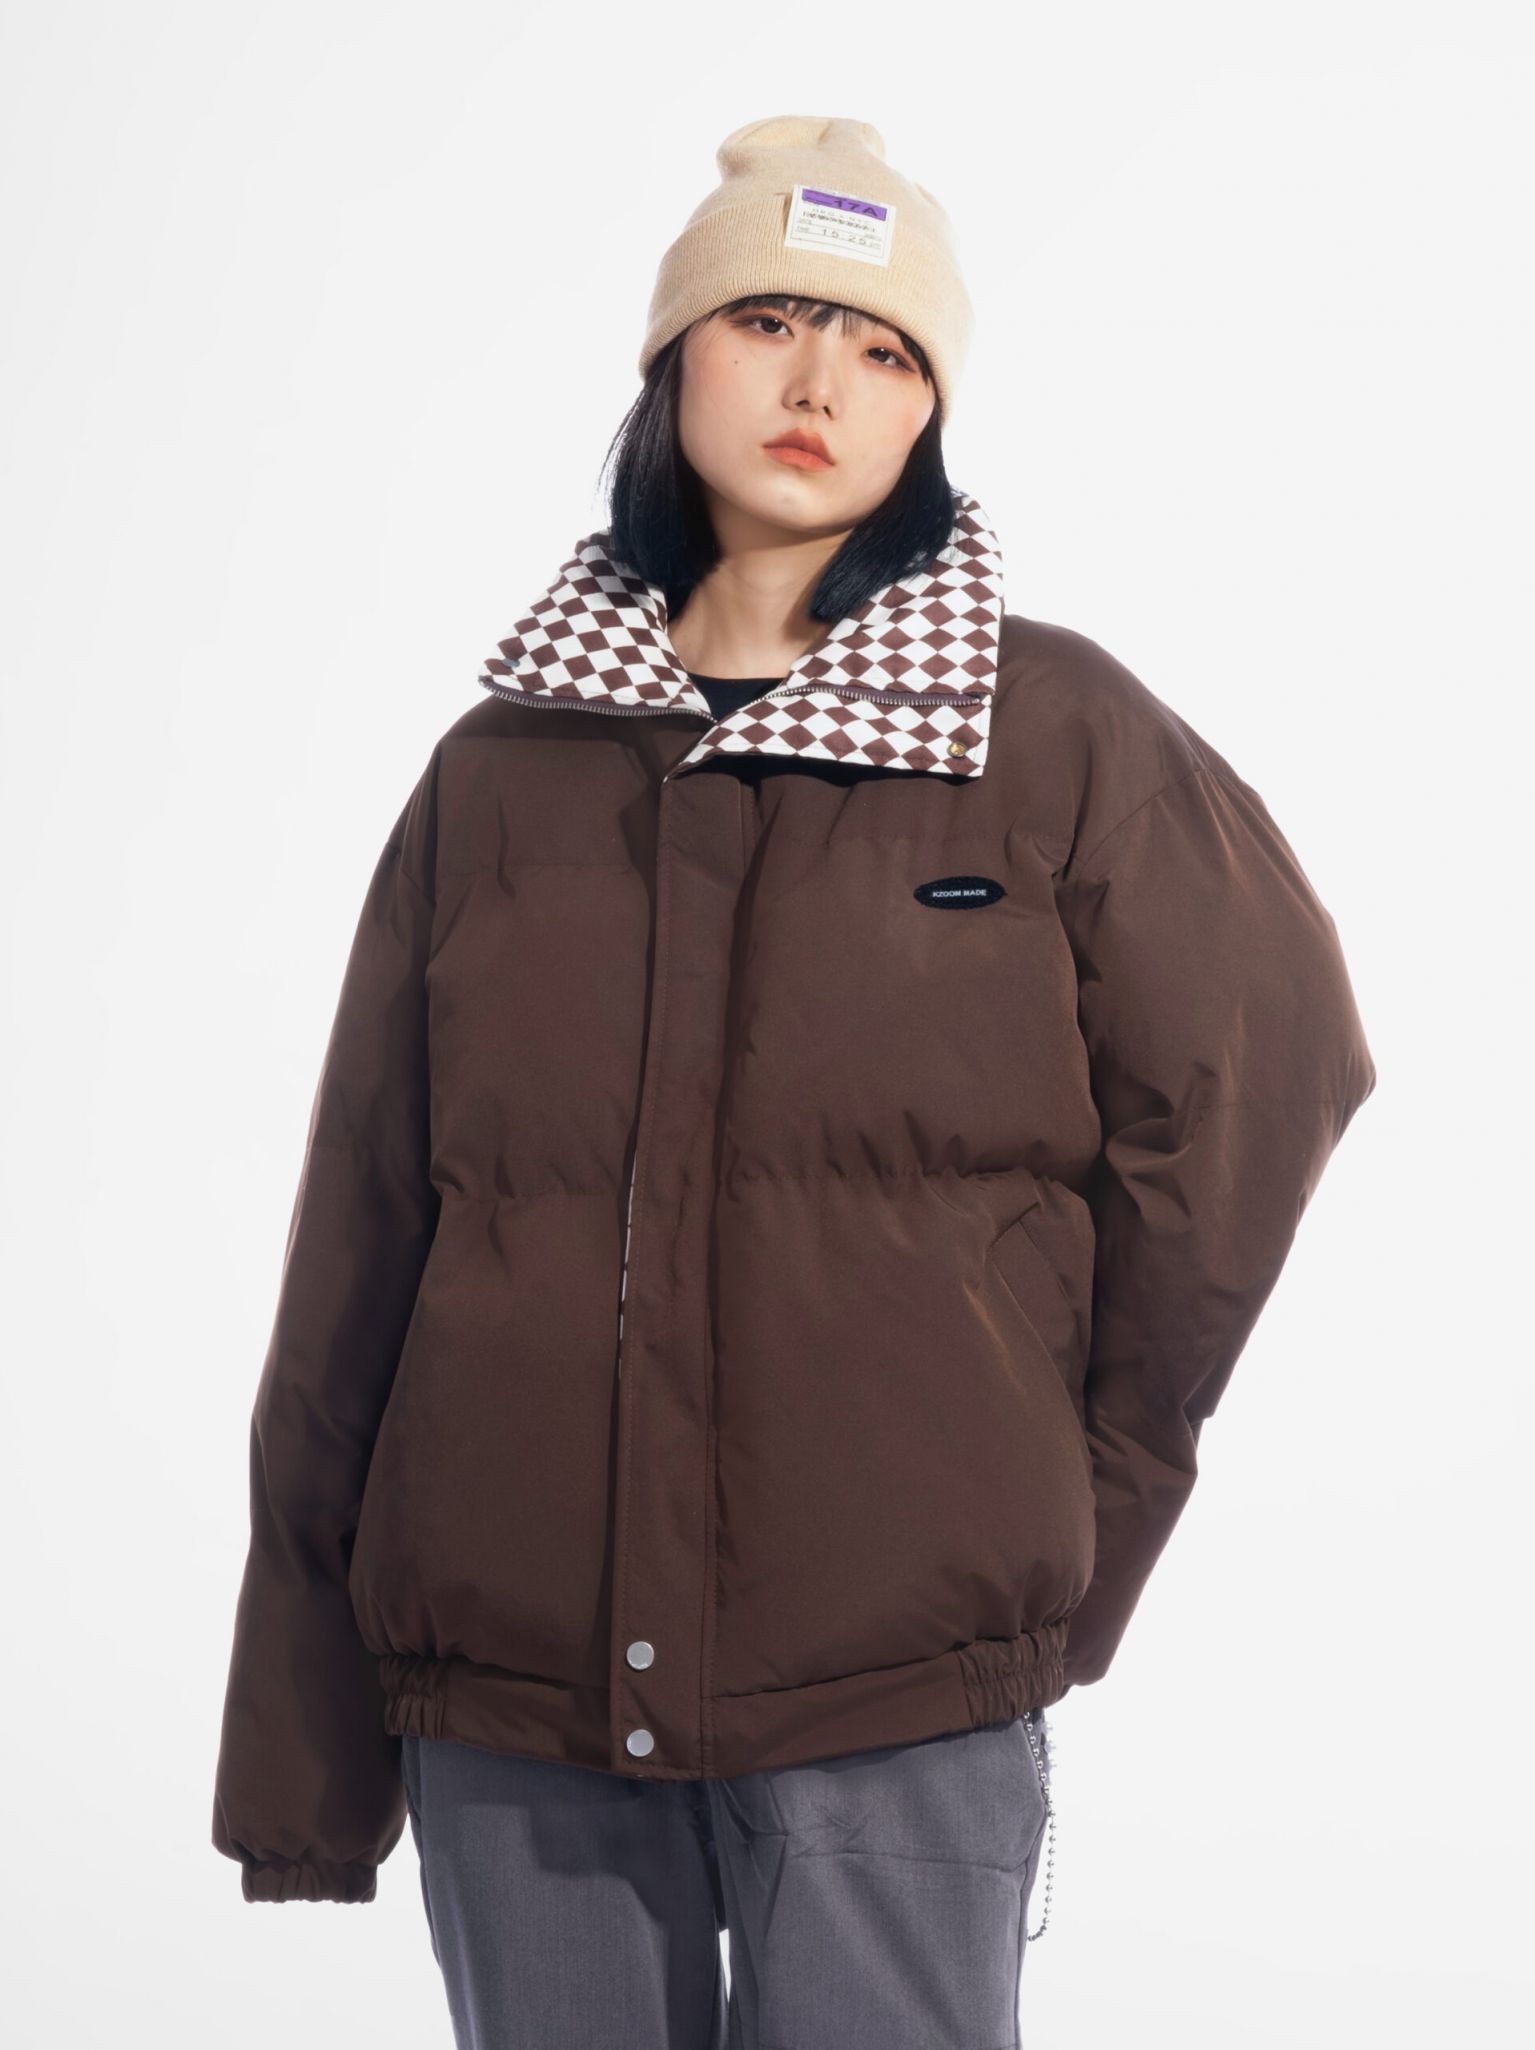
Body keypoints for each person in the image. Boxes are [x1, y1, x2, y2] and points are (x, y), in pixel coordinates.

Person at [211, 114, 1377, 2048]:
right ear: (673, 359)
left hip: (894, 1691)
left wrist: (1086, 1502)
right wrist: (300, 1739)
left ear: (931, 412)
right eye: (768, 320)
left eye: (886, 347)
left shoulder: (1051, 731)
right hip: (515, 1691)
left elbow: (1270, 1079)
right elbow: (356, 1248)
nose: (823, 381)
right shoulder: (499, 773)